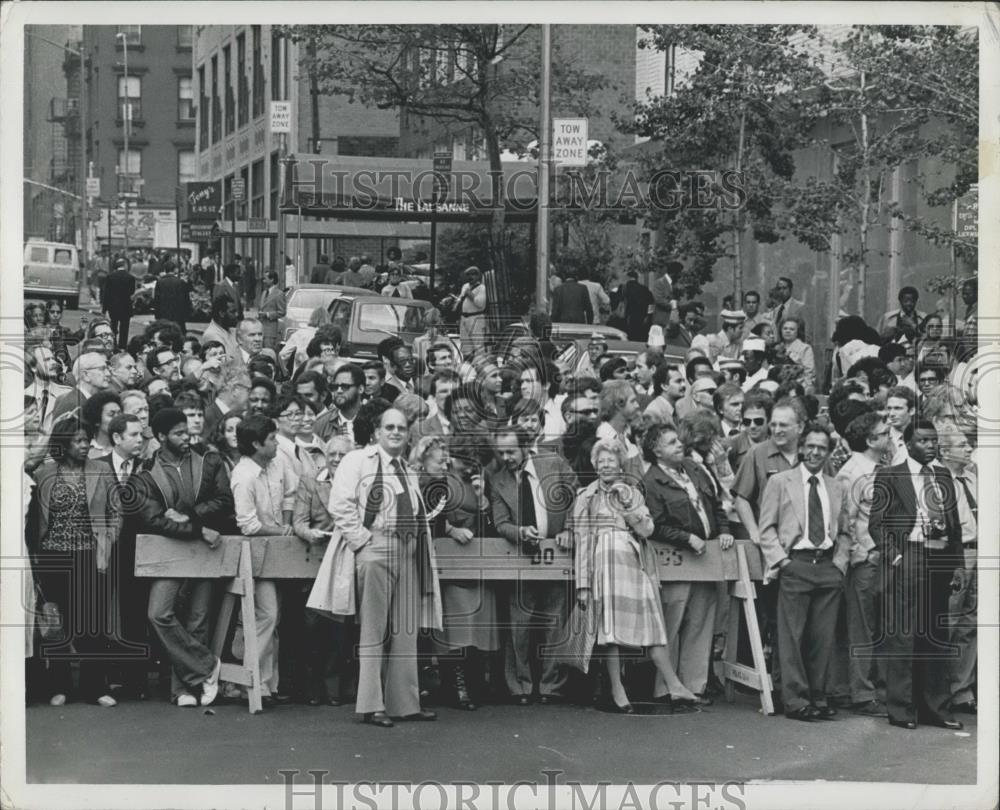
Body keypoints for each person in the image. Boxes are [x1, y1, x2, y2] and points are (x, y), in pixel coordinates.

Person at [327, 408, 443, 727]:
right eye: (389, 427)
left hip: (407, 548)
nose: (395, 432)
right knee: (373, 628)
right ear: (377, 431)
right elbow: (340, 504)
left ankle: (405, 703)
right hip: (375, 545)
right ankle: (371, 704)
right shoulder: (356, 461)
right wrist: (362, 541)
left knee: (406, 628)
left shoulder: (406, 468)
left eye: (402, 428)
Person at [132, 407, 234, 707]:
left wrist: (188, 516)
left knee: (198, 618)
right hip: (171, 551)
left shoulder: (209, 461)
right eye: (178, 433)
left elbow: (224, 502)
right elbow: (152, 519)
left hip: (205, 551)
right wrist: (198, 529)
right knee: (159, 613)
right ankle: (206, 666)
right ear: (161, 436)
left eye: (187, 431)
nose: (187, 437)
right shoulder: (147, 473)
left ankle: (187, 689)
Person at [868, 420, 964, 731]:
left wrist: (958, 564)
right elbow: (877, 523)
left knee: (934, 634)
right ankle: (901, 709)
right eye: (923, 441)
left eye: (933, 440)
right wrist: (894, 556)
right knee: (904, 634)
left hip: (940, 555)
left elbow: (954, 524)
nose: (931, 445)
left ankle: (935, 708)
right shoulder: (891, 475)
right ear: (908, 444)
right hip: (908, 555)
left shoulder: (943, 476)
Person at [758, 421, 851, 722]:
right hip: (795, 563)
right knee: (792, 636)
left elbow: (846, 532)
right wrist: (782, 562)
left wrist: (840, 564)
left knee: (822, 638)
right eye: (810, 446)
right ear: (801, 447)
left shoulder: (836, 487)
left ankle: (818, 695)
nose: (814, 452)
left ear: (828, 453)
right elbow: (766, 528)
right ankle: (796, 700)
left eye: (821, 448)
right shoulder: (781, 481)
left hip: (827, 566)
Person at [29, 415, 121, 707]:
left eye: (86, 440)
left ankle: (95, 688)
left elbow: (117, 510)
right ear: (63, 443)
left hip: (89, 555)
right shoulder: (45, 473)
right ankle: (60, 687)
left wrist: (108, 539)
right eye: (78, 441)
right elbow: (34, 520)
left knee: (91, 624)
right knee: (56, 624)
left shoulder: (101, 469)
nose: (85, 446)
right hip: (53, 556)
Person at [641, 424, 731, 705]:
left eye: (678, 440)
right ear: (656, 451)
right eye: (670, 443)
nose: (679, 445)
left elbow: (715, 502)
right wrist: (685, 537)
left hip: (707, 558)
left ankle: (695, 686)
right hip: (675, 562)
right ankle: (667, 688)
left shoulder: (694, 468)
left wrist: (725, 529)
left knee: (701, 622)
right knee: (673, 622)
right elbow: (653, 525)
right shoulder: (651, 482)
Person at [489, 426, 577, 705]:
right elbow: (501, 522)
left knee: (555, 621)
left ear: (525, 446)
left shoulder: (553, 463)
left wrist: (570, 529)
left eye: (511, 451)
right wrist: (519, 532)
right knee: (520, 624)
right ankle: (521, 686)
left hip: (557, 554)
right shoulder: (497, 479)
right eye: (501, 452)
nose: (506, 457)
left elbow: (578, 498)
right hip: (521, 557)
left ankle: (551, 686)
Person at [414, 435, 499, 710]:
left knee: (479, 629)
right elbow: (428, 518)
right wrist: (450, 529)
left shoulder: (480, 483)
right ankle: (456, 687)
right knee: (455, 631)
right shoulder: (441, 482)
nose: (471, 467)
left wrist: (483, 500)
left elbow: (493, 527)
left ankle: (476, 684)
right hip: (451, 566)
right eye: (467, 461)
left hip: (479, 566)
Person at [230, 413, 297, 704]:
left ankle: (268, 684)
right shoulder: (243, 476)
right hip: (255, 554)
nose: (276, 443)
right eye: (271, 439)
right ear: (257, 444)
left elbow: (291, 493)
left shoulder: (278, 462)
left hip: (280, 550)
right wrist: (283, 531)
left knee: (274, 616)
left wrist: (286, 525)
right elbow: (249, 525)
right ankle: (252, 681)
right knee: (266, 614)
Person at [831, 411, 892, 716]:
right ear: (870, 440)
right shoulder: (852, 472)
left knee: (875, 625)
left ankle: (869, 689)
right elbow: (847, 521)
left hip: (881, 558)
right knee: (862, 628)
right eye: (883, 433)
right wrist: (863, 553)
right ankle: (861, 693)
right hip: (865, 561)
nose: (889, 436)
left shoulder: (880, 468)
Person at [294, 434, 356, 705]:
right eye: (332, 454)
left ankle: (336, 689)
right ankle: (312, 687)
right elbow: (298, 521)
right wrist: (310, 534)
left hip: (346, 561)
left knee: (341, 628)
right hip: (315, 561)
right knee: (311, 627)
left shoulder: (357, 483)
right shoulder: (310, 481)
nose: (337, 459)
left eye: (343, 455)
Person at [49, 351, 112, 423]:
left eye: (107, 369)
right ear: (85, 375)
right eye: (102, 369)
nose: (108, 374)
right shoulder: (74, 406)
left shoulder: (86, 401)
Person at [280, 306, 330, 374]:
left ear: (312, 318)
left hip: (299, 377)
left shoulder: (300, 334)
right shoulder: (329, 337)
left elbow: (283, 354)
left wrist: (285, 372)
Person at [101, 259, 137, 349]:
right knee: (124, 328)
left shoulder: (110, 277)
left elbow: (106, 294)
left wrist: (104, 309)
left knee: (113, 325)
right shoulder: (130, 277)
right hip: (125, 306)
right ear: (124, 265)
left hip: (113, 306)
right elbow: (132, 292)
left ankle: (113, 344)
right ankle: (122, 346)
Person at [81, 390, 122, 459]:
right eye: (111, 414)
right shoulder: (85, 451)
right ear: (97, 421)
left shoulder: (127, 448)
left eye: (119, 413)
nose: (118, 418)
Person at [778, 317, 816, 393]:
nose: (787, 331)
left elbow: (809, 373)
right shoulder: (777, 346)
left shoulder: (805, 348)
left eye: (792, 329)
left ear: (797, 332)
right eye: (785, 329)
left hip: (798, 387)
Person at [152, 262, 192, 333]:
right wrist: (186, 314)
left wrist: (157, 314)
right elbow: (186, 300)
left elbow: (156, 300)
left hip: (164, 314)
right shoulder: (180, 282)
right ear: (174, 270)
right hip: (178, 314)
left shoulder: (160, 282)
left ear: (165, 270)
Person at [200, 297, 242, 363]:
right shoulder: (211, 334)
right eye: (232, 312)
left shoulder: (231, 330)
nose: (236, 315)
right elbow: (226, 361)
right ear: (222, 313)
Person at [459, 266, 488, 359]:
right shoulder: (465, 286)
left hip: (475, 318)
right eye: (468, 274)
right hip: (464, 318)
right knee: (465, 345)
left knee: (478, 346)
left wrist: (470, 295)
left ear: (478, 276)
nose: (471, 277)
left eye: (473, 274)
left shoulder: (481, 288)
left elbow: (481, 304)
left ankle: (480, 367)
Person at [258, 270, 287, 350]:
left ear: (272, 280)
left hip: (270, 331)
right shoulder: (264, 292)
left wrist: (267, 314)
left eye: (265, 279)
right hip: (260, 329)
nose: (263, 281)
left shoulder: (279, 294)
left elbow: (282, 312)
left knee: (268, 352)